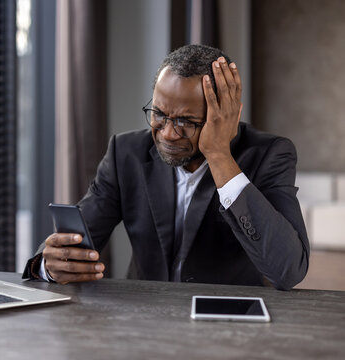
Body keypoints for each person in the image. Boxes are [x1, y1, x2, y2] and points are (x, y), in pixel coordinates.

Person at [23, 44, 309, 290]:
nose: (169, 133)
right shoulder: (126, 153)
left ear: (225, 115)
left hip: (226, 321)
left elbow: (287, 272)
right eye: (159, 114)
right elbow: (75, 244)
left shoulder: (269, 154)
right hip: (145, 317)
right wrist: (51, 266)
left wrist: (220, 156)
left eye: (186, 121)